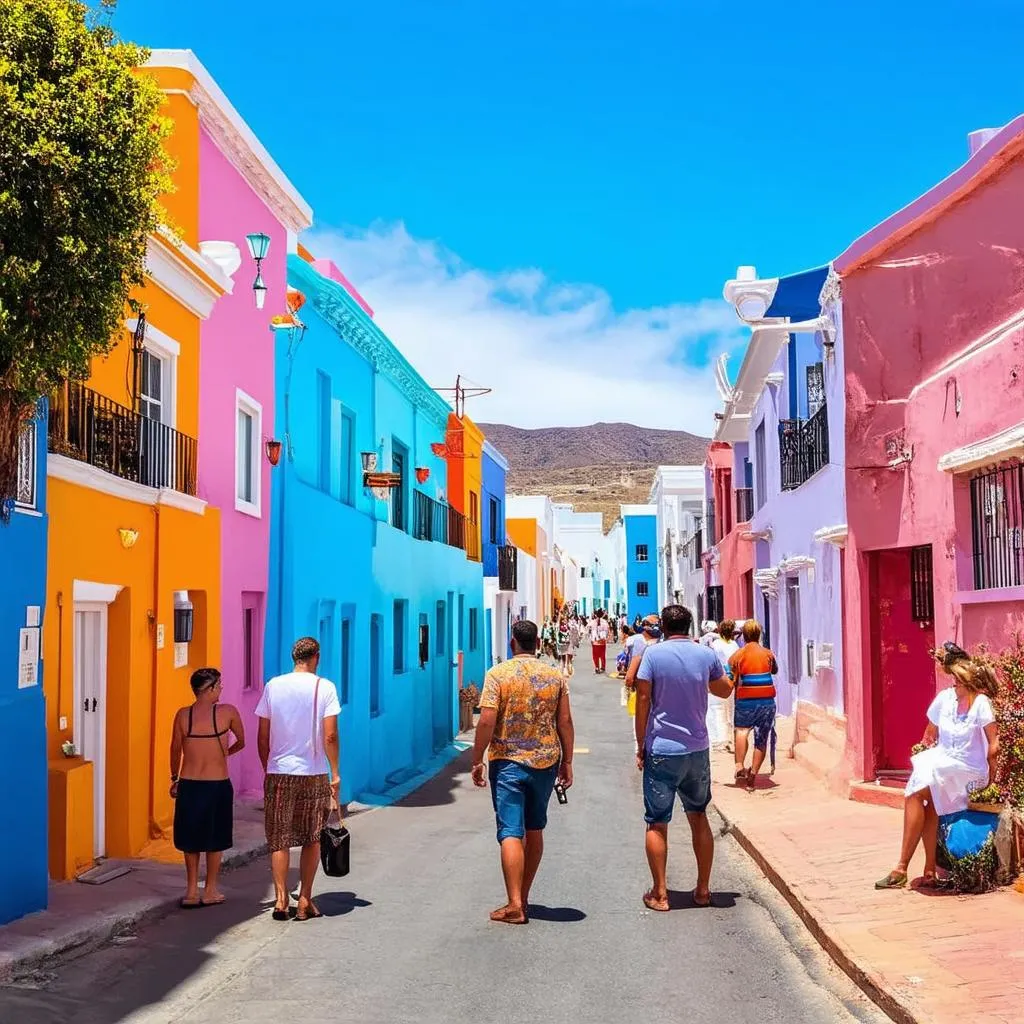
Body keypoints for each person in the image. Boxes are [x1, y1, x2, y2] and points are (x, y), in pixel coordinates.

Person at [471, 619, 575, 924]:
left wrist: (477, 758)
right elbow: (565, 722)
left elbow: (487, 720)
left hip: (508, 763)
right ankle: (523, 897)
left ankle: (514, 902)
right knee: (534, 829)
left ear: (513, 642)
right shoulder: (554, 676)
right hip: (545, 762)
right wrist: (568, 761)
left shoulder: (498, 675)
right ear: (538, 643)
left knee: (510, 832)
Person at [876, 644, 1000, 890]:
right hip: (944, 762)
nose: (953, 684)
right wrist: (922, 747)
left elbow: (993, 744)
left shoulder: (981, 704)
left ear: (969, 682)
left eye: (957, 681)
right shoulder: (945, 699)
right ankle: (929, 870)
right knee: (929, 796)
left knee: (916, 792)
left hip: (969, 768)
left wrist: (991, 780)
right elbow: (929, 733)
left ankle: (902, 866)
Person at [634, 604, 731, 910]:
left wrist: (641, 743)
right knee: (698, 815)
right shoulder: (705, 654)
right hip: (697, 750)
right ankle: (703, 890)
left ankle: (660, 894)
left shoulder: (653, 655)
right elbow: (724, 691)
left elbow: (644, 699)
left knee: (657, 823)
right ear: (689, 626)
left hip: (662, 748)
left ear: (663, 626)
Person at [256, 636, 341, 922]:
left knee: (279, 837)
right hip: (313, 773)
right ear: (316, 656)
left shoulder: (273, 686)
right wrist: (335, 772)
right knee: (311, 837)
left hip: (279, 772)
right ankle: (304, 898)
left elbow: (263, 736)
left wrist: (268, 766)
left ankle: (281, 899)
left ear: (295, 658)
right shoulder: (324, 687)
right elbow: (330, 735)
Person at [170, 667, 245, 908]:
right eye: (219, 685)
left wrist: (174, 778)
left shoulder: (183, 715)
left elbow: (174, 750)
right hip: (217, 784)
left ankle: (191, 891)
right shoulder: (228, 713)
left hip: (189, 784)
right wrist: (225, 753)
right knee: (216, 838)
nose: (221, 688)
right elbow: (241, 742)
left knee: (190, 839)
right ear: (209, 688)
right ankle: (210, 889)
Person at [727, 620, 778, 791]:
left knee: (741, 731)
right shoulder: (768, 653)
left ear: (744, 635)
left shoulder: (737, 656)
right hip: (767, 701)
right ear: (759, 634)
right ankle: (753, 774)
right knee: (761, 738)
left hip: (745, 700)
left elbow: (732, 678)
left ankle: (739, 766)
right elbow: (774, 670)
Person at [707, 621, 739, 750]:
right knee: (730, 710)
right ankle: (731, 738)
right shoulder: (735, 645)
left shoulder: (715, 645)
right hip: (732, 680)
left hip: (717, 679)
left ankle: (718, 739)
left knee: (716, 709)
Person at [624, 614, 662, 719]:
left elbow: (634, 665)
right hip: (661, 689)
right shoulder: (663, 642)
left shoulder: (637, 640)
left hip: (642, 686)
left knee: (642, 718)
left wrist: (628, 684)